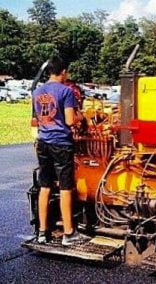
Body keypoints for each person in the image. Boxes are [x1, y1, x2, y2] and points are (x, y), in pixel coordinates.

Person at [33, 56, 86, 245]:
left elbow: (37, 118)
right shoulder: (66, 91)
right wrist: (82, 117)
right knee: (65, 187)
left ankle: (42, 232)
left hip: (43, 142)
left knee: (45, 186)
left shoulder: (37, 91)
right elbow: (71, 120)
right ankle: (69, 233)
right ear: (63, 72)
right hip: (61, 143)